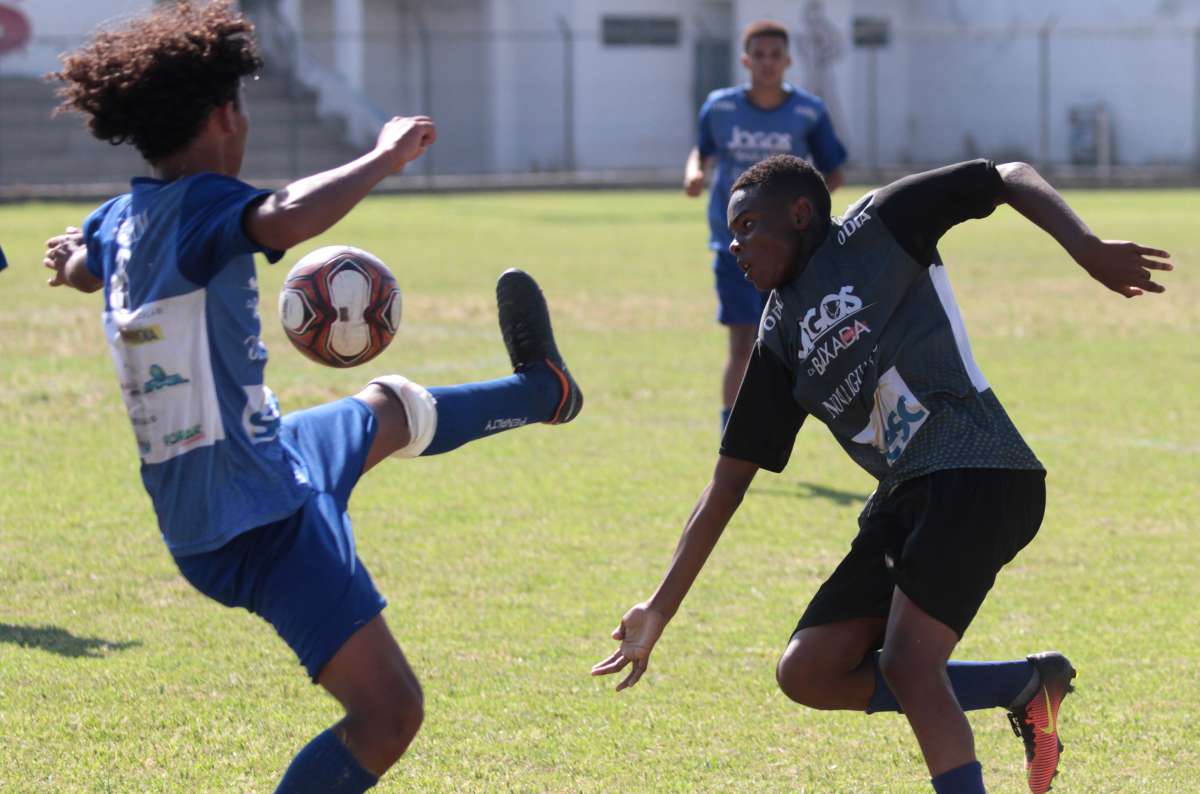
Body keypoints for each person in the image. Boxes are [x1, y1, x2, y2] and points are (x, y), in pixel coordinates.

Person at [41, 3, 581, 791]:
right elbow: (283, 215)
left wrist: (73, 264)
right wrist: (382, 157)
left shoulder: (120, 219)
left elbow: (90, 265)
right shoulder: (201, 211)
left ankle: (544, 391)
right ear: (227, 114)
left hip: (247, 473)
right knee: (389, 713)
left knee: (390, 410)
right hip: (261, 520)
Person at [594, 155, 1172, 794]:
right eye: (730, 233)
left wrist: (1086, 248)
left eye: (748, 226)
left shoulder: (880, 224)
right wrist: (659, 608)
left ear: (801, 213)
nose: (735, 246)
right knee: (808, 670)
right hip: (907, 496)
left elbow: (1007, 175)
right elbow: (727, 484)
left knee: (908, 665)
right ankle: (1022, 684)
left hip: (979, 468)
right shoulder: (779, 336)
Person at [684, 19, 848, 431]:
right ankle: (731, 431)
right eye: (759, 55)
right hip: (732, 247)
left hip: (787, 252)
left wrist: (804, 220)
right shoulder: (720, 107)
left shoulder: (808, 111)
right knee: (742, 342)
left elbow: (834, 170)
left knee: (789, 344)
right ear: (746, 60)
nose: (767, 63)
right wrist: (694, 173)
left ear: (788, 60)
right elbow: (702, 152)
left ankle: (778, 425)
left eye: (776, 55)